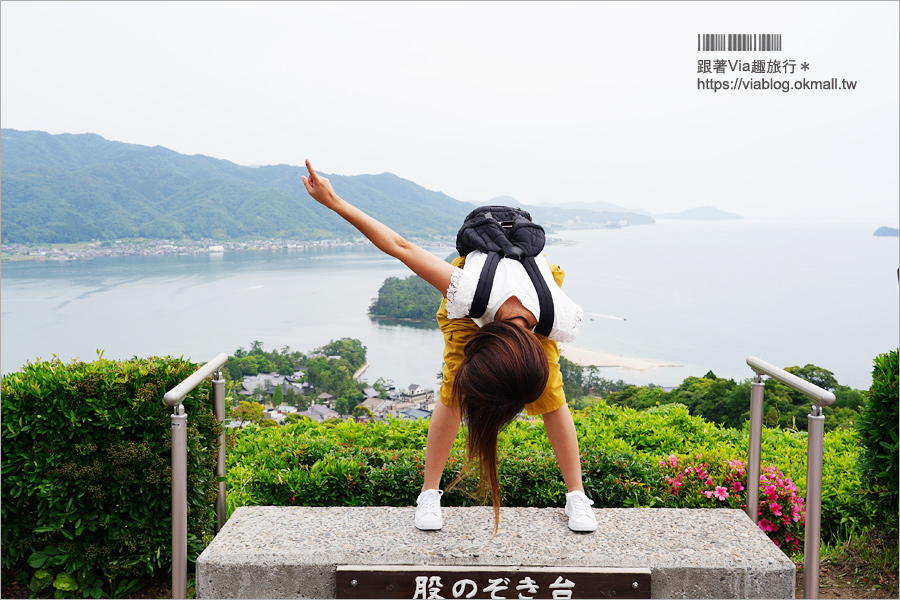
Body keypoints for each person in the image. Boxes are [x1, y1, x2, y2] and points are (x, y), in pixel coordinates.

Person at [302, 160, 597, 533]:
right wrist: (333, 201)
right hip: (480, 298)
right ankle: (429, 492)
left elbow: (400, 246)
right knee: (454, 391)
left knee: (552, 395)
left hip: (533, 302)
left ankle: (577, 495)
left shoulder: (561, 319)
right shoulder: (466, 291)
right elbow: (399, 246)